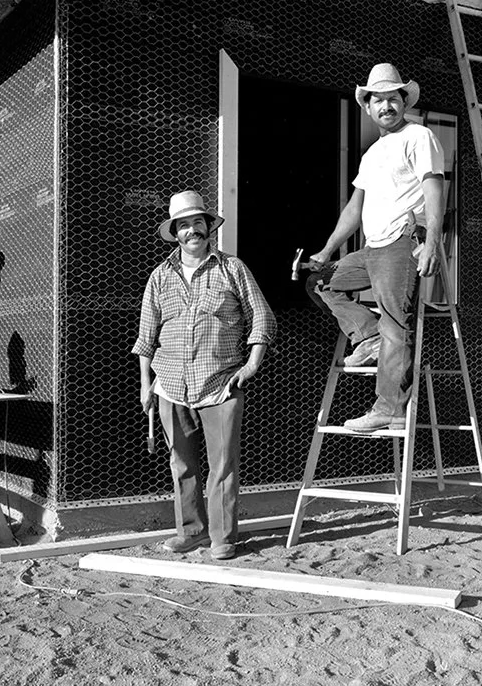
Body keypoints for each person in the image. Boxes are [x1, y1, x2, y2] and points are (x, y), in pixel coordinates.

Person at [132, 190, 277, 561]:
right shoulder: (159, 277)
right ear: (175, 233)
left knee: (223, 466)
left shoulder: (232, 269)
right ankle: (190, 532)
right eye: (184, 225)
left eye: (198, 222)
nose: (192, 230)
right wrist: (147, 386)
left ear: (209, 227)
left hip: (220, 384)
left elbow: (261, 317)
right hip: (169, 385)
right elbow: (146, 338)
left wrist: (252, 364)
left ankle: (221, 538)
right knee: (181, 464)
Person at [308, 64, 445, 432]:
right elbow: (355, 208)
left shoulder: (419, 137)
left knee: (396, 324)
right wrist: (326, 251)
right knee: (321, 282)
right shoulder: (372, 153)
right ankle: (366, 335)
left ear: (404, 101)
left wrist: (433, 240)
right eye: (377, 100)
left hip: (401, 242)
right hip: (372, 248)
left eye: (392, 98)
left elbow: (434, 190)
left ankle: (390, 409)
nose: (385, 106)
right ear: (367, 108)